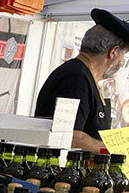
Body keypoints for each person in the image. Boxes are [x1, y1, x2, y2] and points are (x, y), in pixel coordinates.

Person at [35, 9, 129, 152]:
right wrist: (113, 150)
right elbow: (68, 135)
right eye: (124, 55)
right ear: (113, 51)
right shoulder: (76, 78)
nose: (122, 61)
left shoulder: (84, 75)